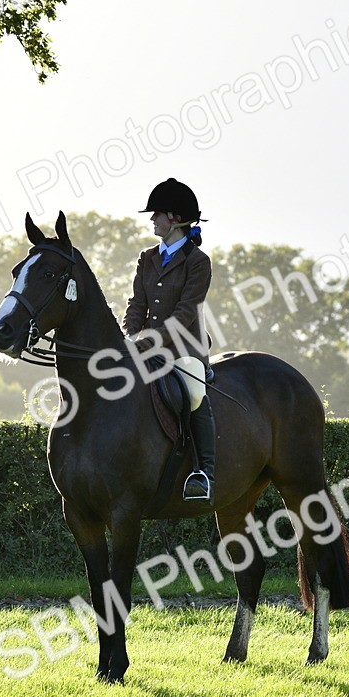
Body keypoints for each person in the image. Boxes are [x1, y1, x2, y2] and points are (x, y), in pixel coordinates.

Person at [122, 178, 216, 502]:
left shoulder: (198, 262)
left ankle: (204, 473)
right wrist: (130, 335)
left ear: (174, 219)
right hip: (144, 346)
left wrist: (148, 341)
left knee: (194, 392)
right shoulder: (147, 257)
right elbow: (137, 304)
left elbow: (186, 312)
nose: (152, 219)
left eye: (157, 214)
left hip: (185, 350)